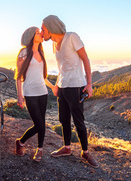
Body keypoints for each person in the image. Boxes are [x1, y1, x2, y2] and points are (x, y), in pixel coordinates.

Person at [41, 15, 99, 168]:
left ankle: (85, 152)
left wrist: (89, 84)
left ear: (51, 28)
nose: (42, 32)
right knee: (63, 119)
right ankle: (67, 148)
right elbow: (62, 68)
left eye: (43, 29)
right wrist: (57, 86)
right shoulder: (54, 45)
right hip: (63, 87)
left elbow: (85, 59)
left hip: (76, 86)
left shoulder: (72, 37)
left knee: (78, 121)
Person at [15, 26, 54, 161]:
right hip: (30, 93)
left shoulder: (41, 53)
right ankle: (20, 142)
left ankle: (40, 150)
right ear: (32, 36)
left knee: (41, 122)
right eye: (38, 33)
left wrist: (53, 87)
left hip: (43, 92)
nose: (41, 34)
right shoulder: (24, 53)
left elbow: (42, 76)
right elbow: (18, 76)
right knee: (39, 125)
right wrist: (20, 95)